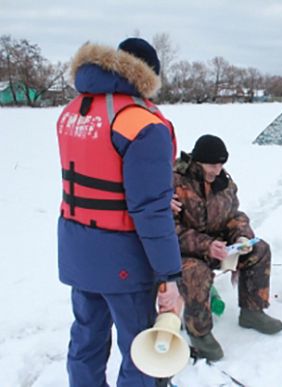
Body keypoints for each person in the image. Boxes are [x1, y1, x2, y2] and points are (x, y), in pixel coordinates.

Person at [56, 38, 183, 386]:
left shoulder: (74, 109)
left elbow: (98, 177)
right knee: (139, 349)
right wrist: (169, 275)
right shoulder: (142, 123)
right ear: (149, 75)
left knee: (87, 337)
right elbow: (150, 209)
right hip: (123, 258)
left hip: (77, 248)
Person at [173, 134, 282, 361]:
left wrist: (242, 237)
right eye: (213, 164)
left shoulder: (225, 183)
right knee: (195, 271)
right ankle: (199, 332)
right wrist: (206, 245)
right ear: (198, 161)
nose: (218, 169)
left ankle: (252, 311)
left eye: (222, 164)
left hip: (220, 247)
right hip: (184, 252)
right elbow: (168, 228)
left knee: (260, 249)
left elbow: (234, 216)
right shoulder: (174, 181)